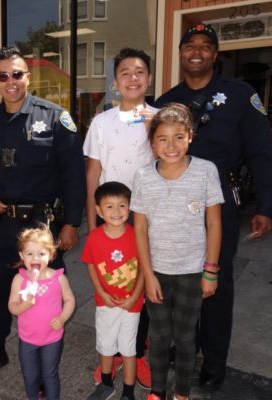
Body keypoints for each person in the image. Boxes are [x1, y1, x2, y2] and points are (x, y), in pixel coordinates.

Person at [154, 24, 272, 391]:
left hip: (219, 203)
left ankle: (214, 360)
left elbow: (261, 153)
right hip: (172, 206)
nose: (197, 51)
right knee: (174, 280)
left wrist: (266, 205)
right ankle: (181, 345)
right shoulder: (165, 101)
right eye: (190, 45)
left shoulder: (240, 95)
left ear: (214, 55)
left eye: (206, 46)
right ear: (180, 52)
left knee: (215, 283)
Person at [0, 46, 86, 384]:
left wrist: (72, 223)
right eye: (3, 76)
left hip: (38, 226)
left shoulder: (54, 118)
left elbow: (73, 175)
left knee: (45, 292)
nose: (10, 81)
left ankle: (47, 353)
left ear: (28, 76)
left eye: (17, 74)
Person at [130, 103, 224, 400]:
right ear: (153, 142)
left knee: (184, 338)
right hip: (157, 272)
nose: (171, 146)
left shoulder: (206, 171)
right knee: (158, 337)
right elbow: (140, 229)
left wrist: (210, 271)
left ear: (190, 137)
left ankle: (181, 394)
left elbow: (214, 222)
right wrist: (147, 274)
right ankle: (158, 392)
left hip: (192, 272)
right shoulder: (143, 176)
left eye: (179, 137)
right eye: (162, 139)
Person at [83, 48, 156, 389]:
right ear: (115, 82)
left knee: (142, 286)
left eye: (139, 71)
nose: (132, 78)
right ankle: (108, 358)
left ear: (149, 79)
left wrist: (154, 129)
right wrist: (92, 223)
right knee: (112, 283)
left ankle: (137, 354)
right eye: (125, 72)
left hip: (145, 217)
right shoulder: (102, 122)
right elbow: (93, 172)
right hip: (110, 219)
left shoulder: (159, 118)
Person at [82, 182, 144, 400]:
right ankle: (106, 384)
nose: (116, 212)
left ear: (130, 207)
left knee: (128, 348)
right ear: (98, 210)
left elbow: (145, 267)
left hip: (132, 305)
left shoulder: (137, 235)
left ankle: (128, 392)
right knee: (106, 345)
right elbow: (90, 264)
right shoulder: (94, 237)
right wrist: (101, 292)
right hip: (105, 303)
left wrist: (136, 296)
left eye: (122, 206)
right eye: (109, 206)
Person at [8, 226, 75, 400]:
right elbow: (12, 306)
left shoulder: (58, 278)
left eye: (41, 254)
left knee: (50, 373)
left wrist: (62, 318)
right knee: (30, 376)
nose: (35, 258)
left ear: (51, 255)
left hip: (52, 337)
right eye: (29, 254)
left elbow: (69, 300)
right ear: (22, 256)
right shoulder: (19, 279)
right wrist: (26, 304)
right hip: (28, 338)